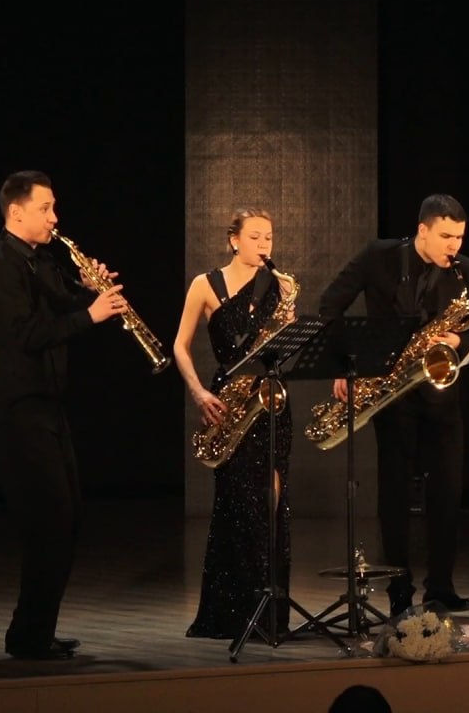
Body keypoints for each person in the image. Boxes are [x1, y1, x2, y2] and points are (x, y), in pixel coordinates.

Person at [0, 170, 127, 660]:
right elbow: (28, 334)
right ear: (16, 212)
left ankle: (35, 631)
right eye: (45, 208)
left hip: (48, 409)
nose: (54, 218)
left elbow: (63, 306)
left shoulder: (42, 261)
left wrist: (92, 291)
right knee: (48, 523)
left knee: (68, 519)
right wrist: (91, 316)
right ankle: (27, 636)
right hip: (17, 411)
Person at [317, 193, 469, 616]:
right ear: (422, 230)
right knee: (394, 493)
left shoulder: (465, 270)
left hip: (441, 394)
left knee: (447, 491)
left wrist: (458, 339)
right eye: (446, 237)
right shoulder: (378, 256)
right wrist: (345, 363)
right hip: (390, 393)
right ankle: (398, 590)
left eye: (460, 237)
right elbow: (330, 304)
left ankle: (441, 588)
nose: (454, 246)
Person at [174, 207, 297, 639]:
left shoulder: (281, 285)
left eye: (269, 237)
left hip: (272, 401)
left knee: (272, 506)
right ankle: (232, 613)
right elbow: (180, 346)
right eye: (256, 237)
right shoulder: (204, 285)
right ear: (234, 240)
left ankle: (270, 614)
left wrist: (289, 323)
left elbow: (286, 349)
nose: (264, 245)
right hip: (229, 402)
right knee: (237, 507)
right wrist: (198, 392)